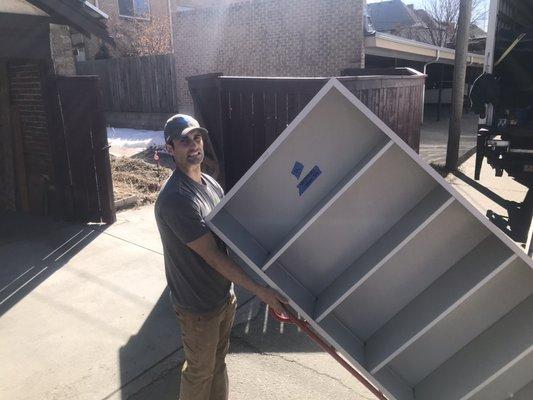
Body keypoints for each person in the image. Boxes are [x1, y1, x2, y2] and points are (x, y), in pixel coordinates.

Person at [154, 114, 288, 400]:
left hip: (223, 297)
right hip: (197, 306)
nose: (194, 146)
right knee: (200, 372)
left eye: (197, 138)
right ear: (170, 148)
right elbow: (213, 256)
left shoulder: (210, 184)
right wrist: (261, 291)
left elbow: (230, 232)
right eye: (184, 141)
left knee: (217, 365)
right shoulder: (176, 199)